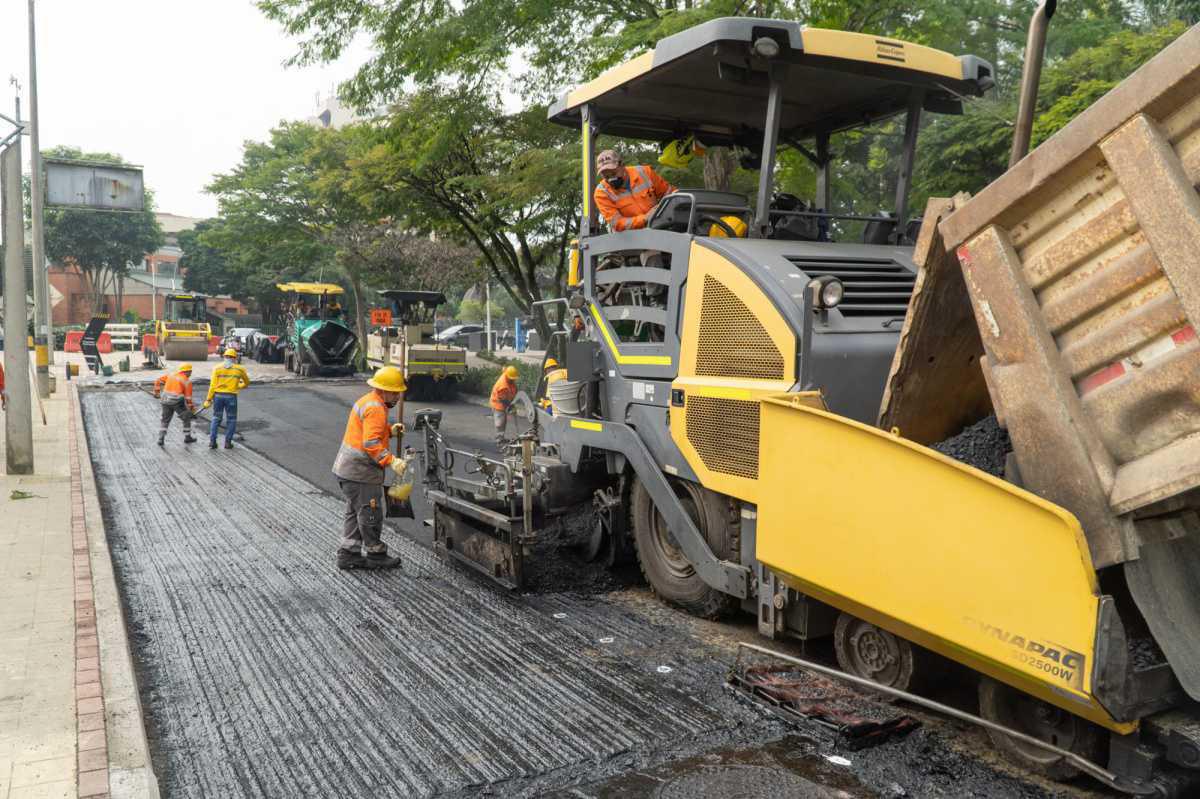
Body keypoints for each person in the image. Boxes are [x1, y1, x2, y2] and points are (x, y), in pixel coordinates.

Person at [332, 366, 409, 571]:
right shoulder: (376, 407)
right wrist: (391, 461)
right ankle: (376, 554)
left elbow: (369, 432)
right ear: (383, 390)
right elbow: (371, 443)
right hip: (360, 473)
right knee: (370, 513)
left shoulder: (370, 400)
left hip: (348, 471)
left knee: (355, 513)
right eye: (394, 393)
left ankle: (349, 554)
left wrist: (389, 431)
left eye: (398, 393)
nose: (397, 397)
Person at [592, 149, 676, 232]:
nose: (611, 179)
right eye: (606, 177)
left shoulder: (645, 172)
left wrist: (663, 211)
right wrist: (646, 218)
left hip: (659, 229)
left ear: (622, 165)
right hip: (629, 240)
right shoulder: (601, 193)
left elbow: (671, 194)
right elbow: (617, 223)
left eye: (614, 173)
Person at [203, 348, 251, 450]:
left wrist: (208, 399)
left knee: (216, 418)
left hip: (218, 396)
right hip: (231, 397)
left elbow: (212, 385)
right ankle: (228, 443)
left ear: (224, 357)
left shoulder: (217, 368)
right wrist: (238, 386)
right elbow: (247, 382)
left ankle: (212, 442)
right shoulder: (240, 369)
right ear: (235, 358)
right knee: (231, 419)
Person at [153, 363, 196, 446]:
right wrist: (191, 408)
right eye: (190, 372)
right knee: (186, 418)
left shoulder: (171, 375)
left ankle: (160, 439)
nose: (191, 374)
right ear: (187, 371)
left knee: (165, 420)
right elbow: (188, 398)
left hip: (165, 401)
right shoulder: (187, 381)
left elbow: (158, 380)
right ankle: (187, 437)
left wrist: (157, 392)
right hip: (177, 402)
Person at [490, 365, 520, 447]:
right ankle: (499, 440)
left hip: (504, 402)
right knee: (499, 423)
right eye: (512, 378)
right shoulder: (502, 385)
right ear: (508, 376)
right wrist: (510, 407)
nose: (513, 380)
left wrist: (513, 402)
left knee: (504, 421)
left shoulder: (509, 377)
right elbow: (503, 399)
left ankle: (501, 438)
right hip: (498, 404)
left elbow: (513, 389)